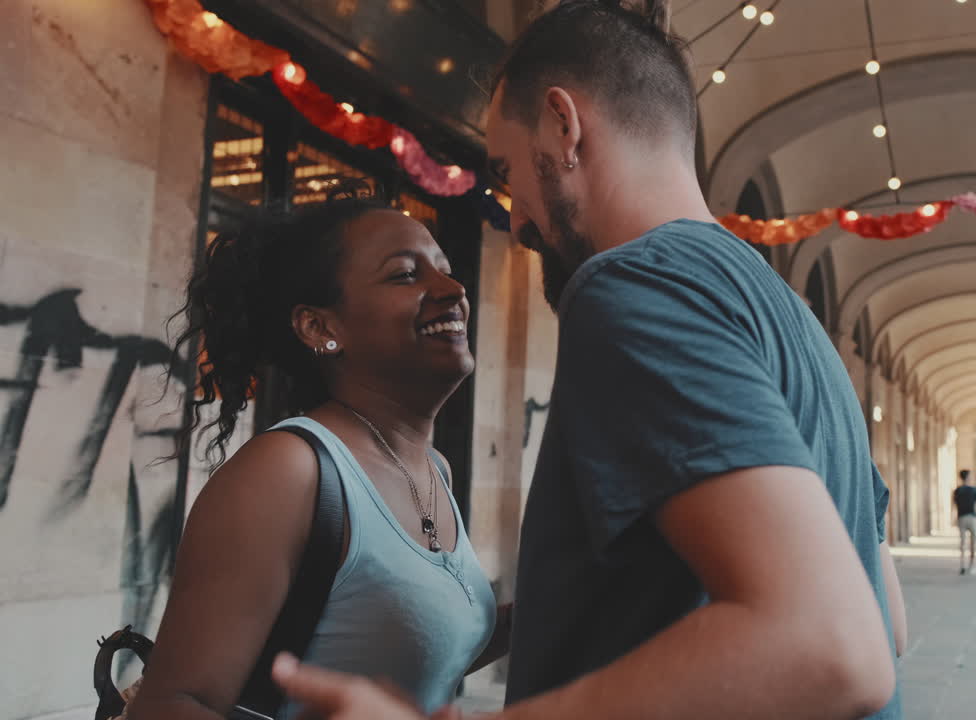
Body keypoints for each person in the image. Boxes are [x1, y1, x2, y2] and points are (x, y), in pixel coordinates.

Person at [273, 1, 904, 718]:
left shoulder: (635, 285)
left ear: (562, 125)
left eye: (508, 173)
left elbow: (832, 644)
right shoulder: (796, 320)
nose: (514, 220)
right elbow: (889, 624)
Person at [128, 191, 509, 720]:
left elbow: (396, 655)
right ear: (321, 327)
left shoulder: (435, 469)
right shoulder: (289, 470)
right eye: (405, 274)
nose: (452, 290)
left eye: (444, 270)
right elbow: (172, 706)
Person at [953, 469, 976, 575]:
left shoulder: (957, 490)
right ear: (967, 477)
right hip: (972, 518)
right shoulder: (973, 490)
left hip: (961, 518)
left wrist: (953, 518)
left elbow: (954, 505)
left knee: (962, 542)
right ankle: (972, 566)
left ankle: (962, 565)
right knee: (973, 543)